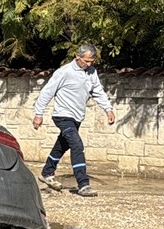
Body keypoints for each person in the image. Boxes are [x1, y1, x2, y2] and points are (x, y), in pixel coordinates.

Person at [32, 43, 116, 197]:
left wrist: (108, 109)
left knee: (62, 145)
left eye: (91, 61)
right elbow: (47, 92)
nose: (89, 64)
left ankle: (47, 173)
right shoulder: (64, 72)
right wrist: (39, 114)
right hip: (63, 116)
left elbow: (98, 91)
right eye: (86, 61)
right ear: (78, 56)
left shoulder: (91, 72)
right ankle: (83, 184)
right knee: (77, 145)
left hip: (77, 117)